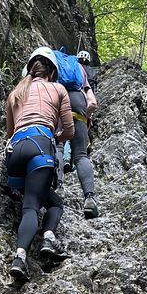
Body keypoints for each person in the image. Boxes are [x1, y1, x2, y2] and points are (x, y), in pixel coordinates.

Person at [5, 47, 74, 284]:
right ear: (52, 71)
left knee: (42, 200)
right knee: (37, 205)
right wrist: (55, 136)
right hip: (40, 146)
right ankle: (35, 247)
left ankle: (32, 249)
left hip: (15, 152)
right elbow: (70, 130)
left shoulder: (16, 92)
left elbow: (10, 131)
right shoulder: (58, 89)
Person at [67, 52, 100, 218]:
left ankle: (58, 181)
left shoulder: (64, 71)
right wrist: (86, 117)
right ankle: (89, 198)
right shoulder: (86, 73)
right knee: (81, 155)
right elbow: (92, 102)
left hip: (60, 103)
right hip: (80, 103)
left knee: (59, 145)